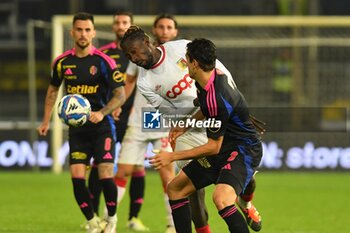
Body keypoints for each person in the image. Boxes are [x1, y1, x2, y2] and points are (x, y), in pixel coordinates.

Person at [149, 38, 263, 233]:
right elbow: (205, 106)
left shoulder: (217, 96)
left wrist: (171, 156)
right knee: (175, 189)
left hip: (243, 150)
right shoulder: (209, 78)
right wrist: (185, 125)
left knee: (222, 198)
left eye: (186, 60)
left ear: (194, 63)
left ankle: (246, 204)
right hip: (226, 146)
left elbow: (213, 147)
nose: (184, 64)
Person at [37, 12, 125, 233]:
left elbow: (120, 94)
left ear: (94, 33)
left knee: (105, 171)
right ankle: (93, 221)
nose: (83, 34)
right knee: (77, 176)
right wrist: (46, 120)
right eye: (79, 30)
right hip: (77, 130)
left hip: (102, 127)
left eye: (87, 30)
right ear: (72, 32)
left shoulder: (104, 61)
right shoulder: (62, 62)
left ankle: (111, 220)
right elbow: (52, 91)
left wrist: (102, 112)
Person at [111, 14, 181, 233]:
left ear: (175, 32)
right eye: (161, 27)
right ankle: (107, 222)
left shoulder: (178, 53)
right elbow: (129, 81)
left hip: (164, 120)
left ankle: (172, 224)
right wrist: (119, 103)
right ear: (153, 31)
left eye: (169, 27)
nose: (165, 30)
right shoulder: (139, 53)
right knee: (122, 171)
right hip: (139, 118)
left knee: (167, 174)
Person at [86, 11, 136, 223]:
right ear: (113, 26)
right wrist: (110, 107)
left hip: (133, 116)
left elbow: (138, 83)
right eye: (117, 22)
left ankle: (133, 218)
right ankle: (94, 214)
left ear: (131, 26)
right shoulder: (103, 53)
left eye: (125, 22)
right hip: (109, 115)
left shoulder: (139, 53)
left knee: (135, 167)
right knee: (100, 163)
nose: (121, 25)